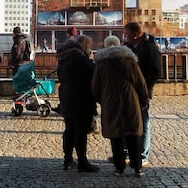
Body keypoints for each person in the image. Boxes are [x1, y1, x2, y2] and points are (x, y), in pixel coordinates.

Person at [92, 35, 149, 176]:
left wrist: (103, 100)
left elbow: (95, 87)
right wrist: (143, 100)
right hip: (130, 100)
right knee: (132, 135)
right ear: (119, 44)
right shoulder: (130, 61)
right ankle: (137, 167)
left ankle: (119, 167)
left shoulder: (101, 64)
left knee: (115, 136)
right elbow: (141, 83)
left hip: (110, 101)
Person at [56, 34, 99, 173]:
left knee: (69, 128)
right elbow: (91, 74)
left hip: (67, 95)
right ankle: (82, 161)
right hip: (81, 96)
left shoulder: (64, 58)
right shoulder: (80, 59)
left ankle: (68, 159)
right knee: (81, 130)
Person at [123, 22, 162, 162]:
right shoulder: (127, 47)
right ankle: (127, 151)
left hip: (142, 91)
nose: (125, 37)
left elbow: (156, 71)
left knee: (143, 122)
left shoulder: (149, 48)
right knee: (127, 122)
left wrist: (144, 88)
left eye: (127, 34)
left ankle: (142, 154)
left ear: (135, 34)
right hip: (129, 90)